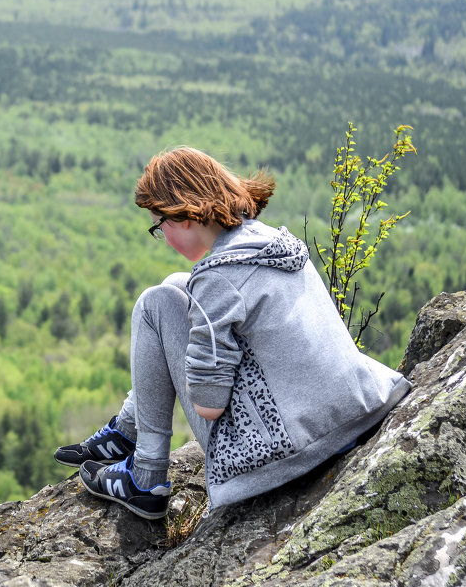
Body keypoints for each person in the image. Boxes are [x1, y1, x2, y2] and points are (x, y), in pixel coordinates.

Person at [55, 147, 411, 519]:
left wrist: (190, 364)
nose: (162, 234)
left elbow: (209, 407)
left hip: (284, 449)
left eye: (159, 224)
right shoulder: (273, 244)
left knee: (155, 303)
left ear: (184, 214)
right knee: (178, 285)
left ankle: (145, 476)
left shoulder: (218, 278)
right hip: (354, 410)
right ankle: (129, 428)